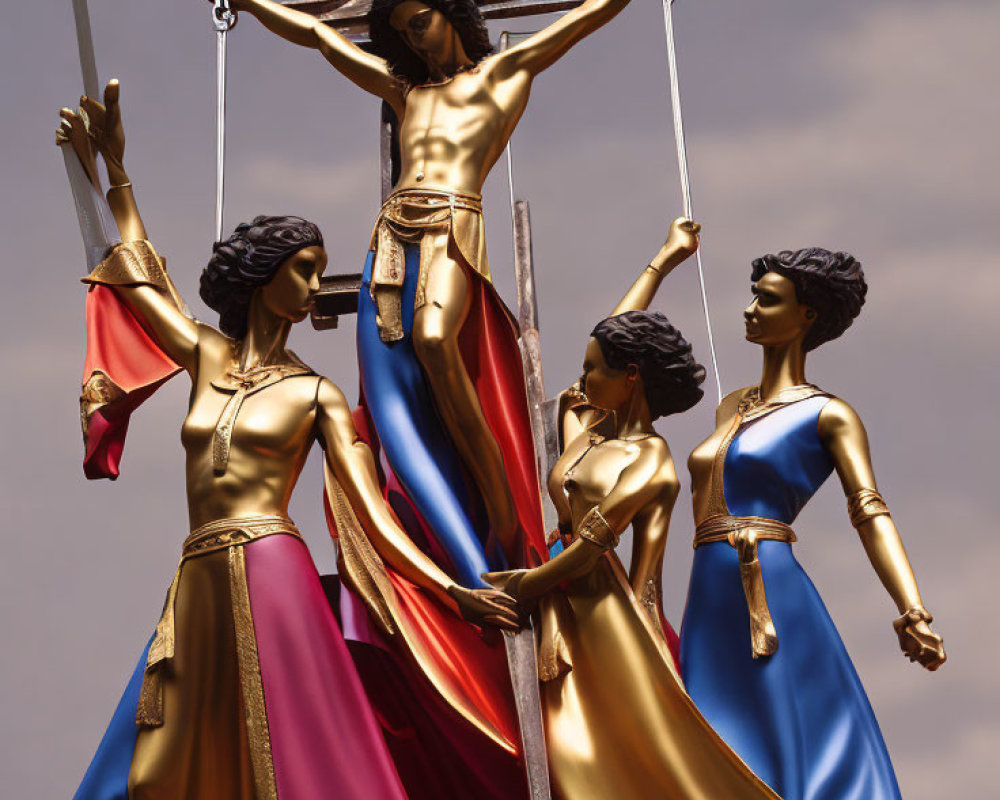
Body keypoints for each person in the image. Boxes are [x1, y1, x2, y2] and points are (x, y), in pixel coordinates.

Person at [59, 81, 518, 800]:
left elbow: (373, 516)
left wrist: (454, 591)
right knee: (158, 751)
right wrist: (114, 172)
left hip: (276, 572)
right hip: (198, 576)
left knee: (300, 750)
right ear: (261, 276)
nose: (313, 285)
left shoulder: (316, 395)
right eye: (302, 269)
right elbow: (144, 281)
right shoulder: (209, 357)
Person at [214, 0, 639, 584]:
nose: (413, 40)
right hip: (389, 237)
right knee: (393, 395)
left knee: (436, 340)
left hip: (450, 225)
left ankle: (504, 518)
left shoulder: (504, 73)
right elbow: (318, 35)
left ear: (450, 14)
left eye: (419, 23)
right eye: (401, 33)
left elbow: (587, 14)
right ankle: (441, 529)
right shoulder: (405, 91)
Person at [482, 219, 782, 800]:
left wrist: (526, 587)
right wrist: (664, 259)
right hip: (559, 597)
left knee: (587, 762)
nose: (584, 375)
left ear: (631, 378)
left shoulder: (652, 462)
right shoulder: (591, 427)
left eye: (596, 368)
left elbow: (593, 546)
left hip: (610, 618)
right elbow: (616, 336)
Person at [680, 247, 947, 800]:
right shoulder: (731, 408)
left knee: (778, 735)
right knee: (703, 731)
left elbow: (870, 511)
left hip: (768, 588)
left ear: (808, 316)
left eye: (768, 300)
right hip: (708, 589)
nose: (751, 309)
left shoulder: (829, 414)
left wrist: (911, 609)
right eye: (754, 295)